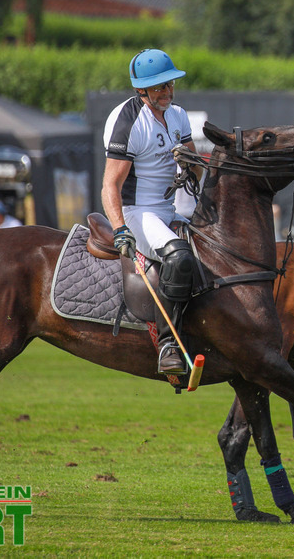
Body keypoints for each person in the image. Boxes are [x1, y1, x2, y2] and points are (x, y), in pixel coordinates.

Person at [102, 48, 201, 376]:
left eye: (170, 85)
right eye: (159, 87)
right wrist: (120, 229)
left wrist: (192, 168)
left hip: (174, 206)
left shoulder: (179, 115)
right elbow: (110, 186)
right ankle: (169, 346)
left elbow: (194, 163)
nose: (167, 92)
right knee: (179, 257)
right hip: (139, 212)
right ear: (140, 90)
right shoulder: (129, 121)